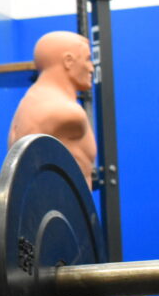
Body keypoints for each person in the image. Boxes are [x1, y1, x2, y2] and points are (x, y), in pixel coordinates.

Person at [8, 30, 96, 186]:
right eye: (88, 59)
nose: (91, 68)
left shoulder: (31, 101)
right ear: (68, 61)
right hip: (59, 201)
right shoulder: (65, 113)